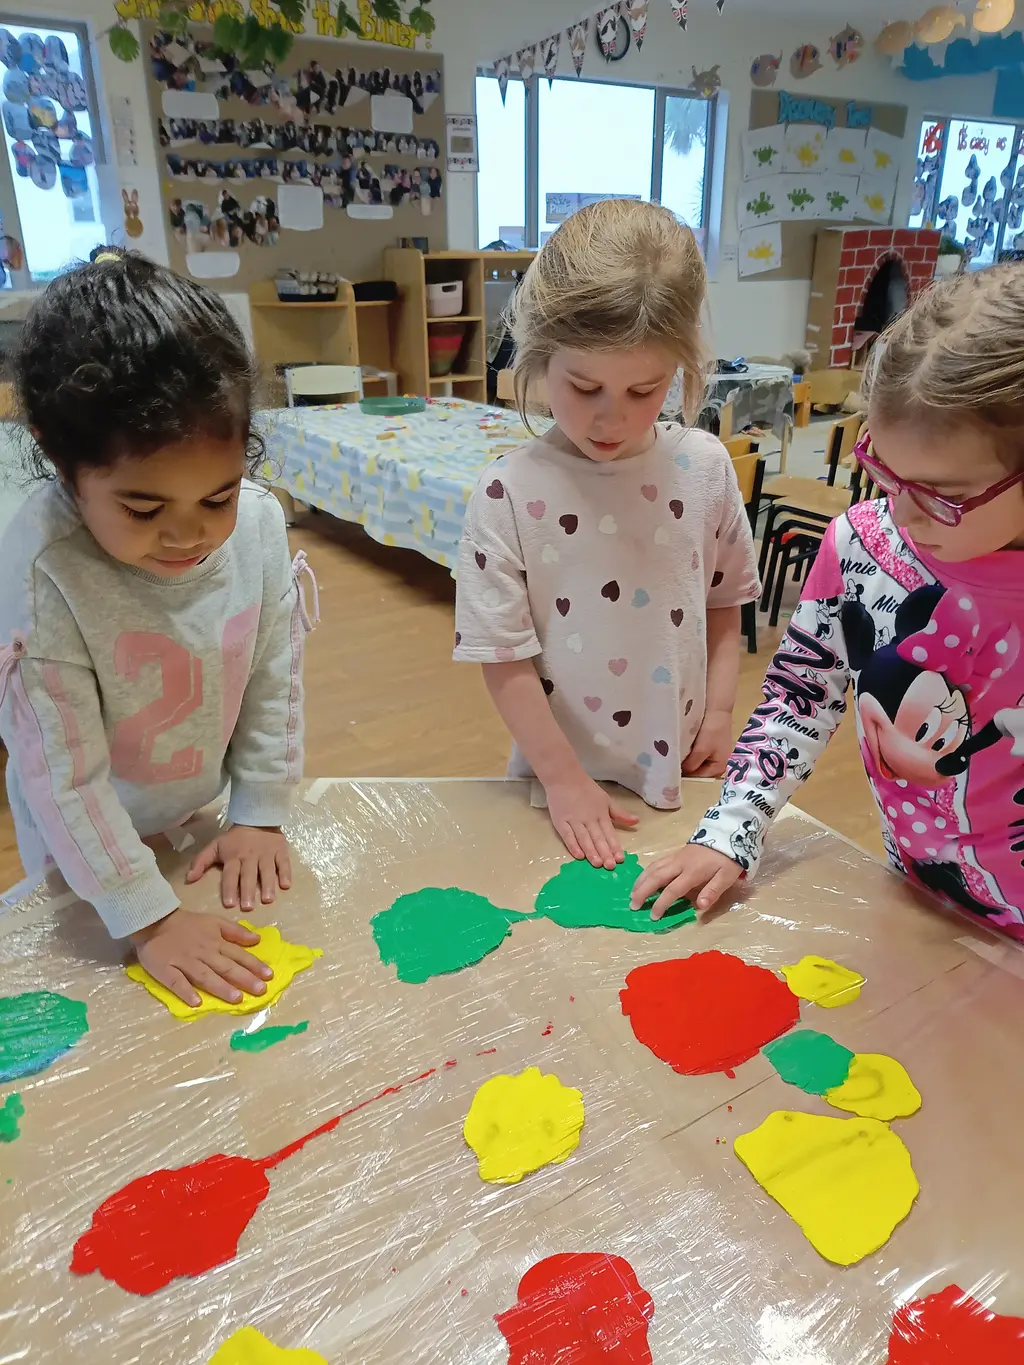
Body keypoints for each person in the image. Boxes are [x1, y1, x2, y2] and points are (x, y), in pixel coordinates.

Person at [633, 265, 1024, 934]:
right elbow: (798, 696)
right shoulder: (863, 550)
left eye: (941, 493)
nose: (901, 508)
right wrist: (732, 829)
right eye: (883, 468)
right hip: (922, 900)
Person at [0, 250, 318, 1005]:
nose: (190, 535)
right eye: (143, 509)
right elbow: (64, 778)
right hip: (88, 854)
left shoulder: (262, 529)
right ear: (57, 454)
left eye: (218, 496)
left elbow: (273, 676)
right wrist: (148, 919)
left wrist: (260, 813)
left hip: (196, 818)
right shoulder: (42, 574)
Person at [454, 199, 759, 868]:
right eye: (584, 385)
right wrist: (564, 779)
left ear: (681, 370)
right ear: (538, 355)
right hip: (552, 781)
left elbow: (724, 598)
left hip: (678, 768)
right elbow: (501, 656)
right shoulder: (506, 493)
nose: (609, 418)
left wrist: (718, 713)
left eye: (645, 390)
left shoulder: (705, 468)